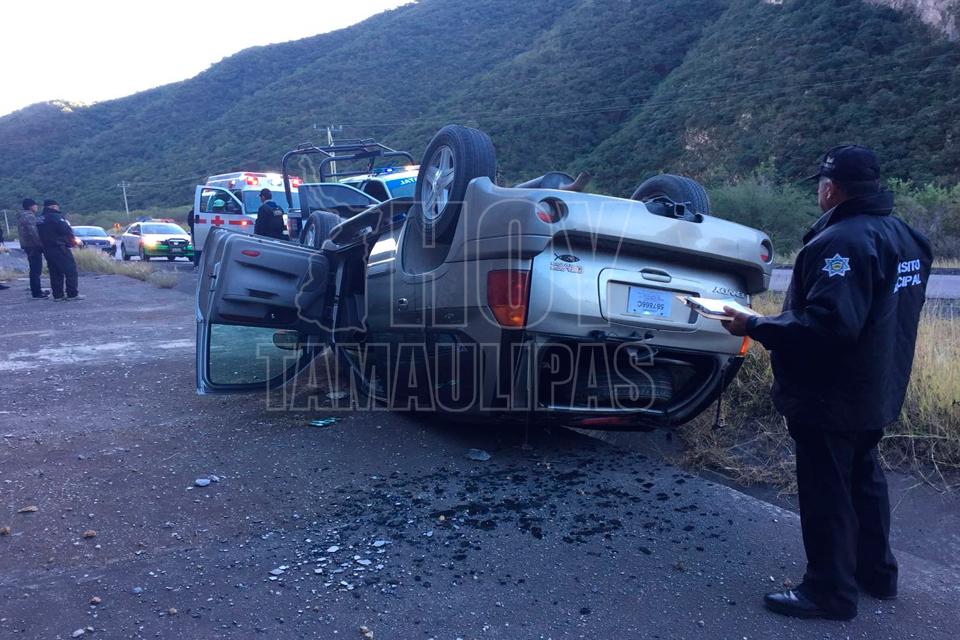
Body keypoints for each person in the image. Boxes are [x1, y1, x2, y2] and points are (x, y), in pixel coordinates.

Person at [722, 145, 931, 621]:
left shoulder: (841, 243)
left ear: (831, 188)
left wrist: (754, 324)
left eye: (821, 184)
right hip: (879, 385)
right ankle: (877, 573)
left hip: (831, 392)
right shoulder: (908, 237)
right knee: (864, 477)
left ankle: (829, 592)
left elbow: (828, 325)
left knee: (827, 489)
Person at [36, 199, 84, 301]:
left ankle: (58, 295)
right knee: (70, 270)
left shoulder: (39, 219)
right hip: (60, 247)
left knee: (55, 272)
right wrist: (71, 241)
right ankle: (72, 294)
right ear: (54, 206)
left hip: (47, 248)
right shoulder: (56, 217)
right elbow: (66, 230)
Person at [18, 198, 50, 299]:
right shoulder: (29, 216)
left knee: (34, 269)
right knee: (36, 270)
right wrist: (41, 245)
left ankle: (36, 291)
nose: (37, 207)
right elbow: (34, 232)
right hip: (33, 246)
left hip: (28, 246)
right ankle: (37, 292)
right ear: (30, 206)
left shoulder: (22, 216)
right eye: (35, 205)